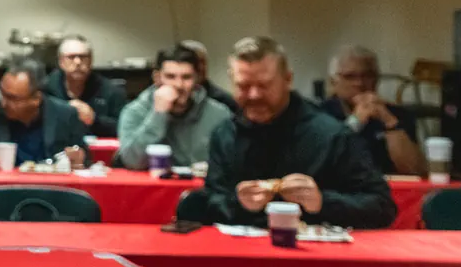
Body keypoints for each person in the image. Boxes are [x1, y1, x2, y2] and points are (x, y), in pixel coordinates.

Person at [201, 37, 397, 228]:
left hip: (317, 255)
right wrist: (236, 203)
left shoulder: (331, 134)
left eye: (264, 85)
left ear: (288, 80)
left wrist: (322, 202)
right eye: (243, 86)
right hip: (240, 255)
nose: (254, 95)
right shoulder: (224, 134)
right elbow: (208, 203)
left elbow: (382, 207)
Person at [0, 58, 88, 169]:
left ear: (36, 99)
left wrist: (77, 160)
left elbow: (85, 160)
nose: (4, 103)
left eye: (12, 98)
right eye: (1, 93)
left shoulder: (65, 114)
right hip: (2, 191)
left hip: (53, 191)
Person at [114, 45, 231, 169]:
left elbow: (231, 164)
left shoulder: (219, 114)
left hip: (202, 185)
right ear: (157, 78)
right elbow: (132, 161)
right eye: (171, 77)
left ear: (197, 78)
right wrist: (158, 115)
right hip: (154, 187)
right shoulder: (134, 111)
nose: (179, 85)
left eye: (186, 77)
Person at [318, 45, 426, 176]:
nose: (359, 83)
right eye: (350, 76)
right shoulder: (319, 115)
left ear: (377, 79)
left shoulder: (397, 115)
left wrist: (389, 121)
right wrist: (355, 122)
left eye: (367, 75)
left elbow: (415, 170)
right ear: (333, 82)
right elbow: (321, 165)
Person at [41, 36, 127, 136]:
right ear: (61, 61)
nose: (78, 62)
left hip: (97, 148)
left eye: (83, 57)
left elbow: (124, 129)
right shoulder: (45, 88)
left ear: (91, 60)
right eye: (71, 57)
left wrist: (94, 120)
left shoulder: (112, 91)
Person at [181, 39, 239, 112]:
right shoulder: (169, 100)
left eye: (202, 62)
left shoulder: (223, 101)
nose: (200, 67)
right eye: (194, 62)